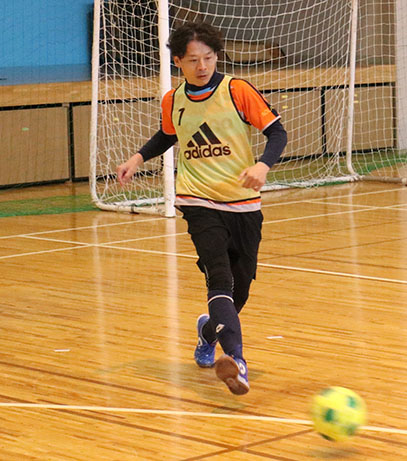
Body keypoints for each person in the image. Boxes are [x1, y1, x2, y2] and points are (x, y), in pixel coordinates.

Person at [116, 22, 287, 395]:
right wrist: (137, 158)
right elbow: (168, 135)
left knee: (239, 291)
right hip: (197, 200)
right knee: (219, 278)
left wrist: (262, 166)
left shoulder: (237, 91)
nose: (202, 66)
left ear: (216, 57)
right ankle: (237, 361)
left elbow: (277, 132)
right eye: (193, 60)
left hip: (243, 203)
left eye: (208, 58)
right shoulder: (173, 100)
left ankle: (208, 332)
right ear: (178, 61)